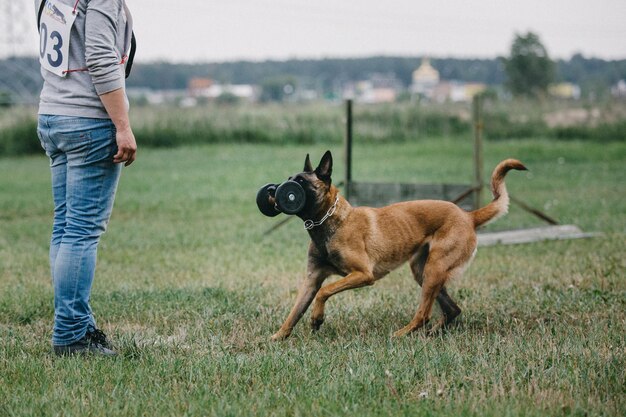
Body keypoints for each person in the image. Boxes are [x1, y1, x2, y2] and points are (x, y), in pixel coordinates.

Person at [35, 0, 137, 356]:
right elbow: (98, 54)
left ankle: (77, 322)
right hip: (87, 120)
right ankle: (71, 334)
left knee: (65, 227)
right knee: (80, 231)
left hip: (52, 115)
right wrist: (122, 126)